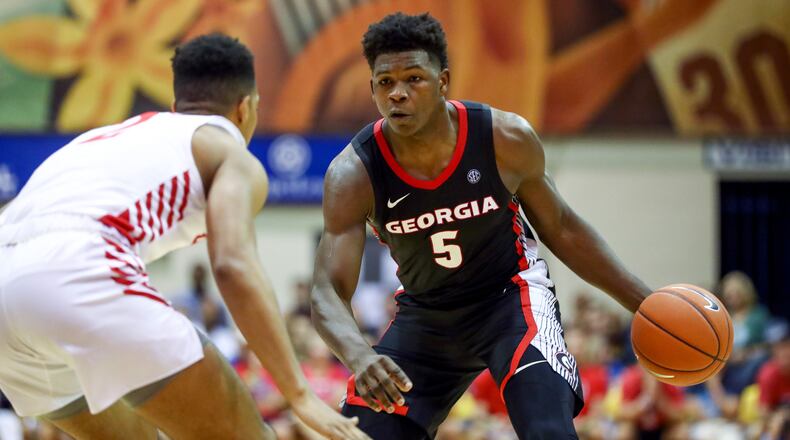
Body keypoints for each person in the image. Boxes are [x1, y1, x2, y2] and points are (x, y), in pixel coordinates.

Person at [0, 34, 368, 440]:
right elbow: (231, 264)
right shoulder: (227, 151)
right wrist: (298, 393)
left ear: (177, 108)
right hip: (80, 268)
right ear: (246, 109)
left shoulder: (107, 137)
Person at [310, 12, 653, 439]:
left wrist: (644, 303)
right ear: (373, 89)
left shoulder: (503, 137)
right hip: (427, 314)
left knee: (548, 429)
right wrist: (360, 356)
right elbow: (327, 290)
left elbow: (561, 227)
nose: (397, 93)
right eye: (385, 83)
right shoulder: (353, 173)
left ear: (443, 81)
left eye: (413, 78)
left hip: (509, 300)